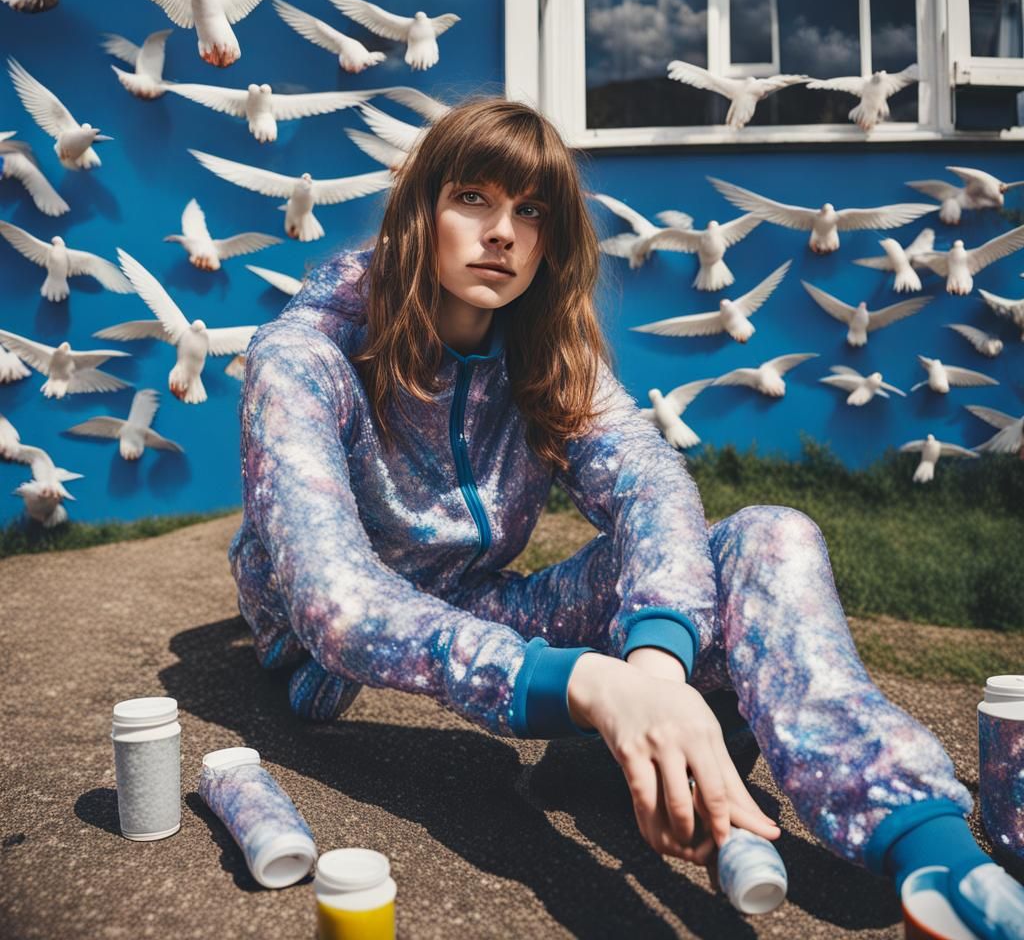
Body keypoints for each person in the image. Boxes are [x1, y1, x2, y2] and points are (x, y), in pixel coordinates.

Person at [229, 97, 1022, 935]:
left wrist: (657, 669)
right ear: (420, 208)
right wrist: (589, 685)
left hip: (480, 597)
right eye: (473, 198)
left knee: (770, 535)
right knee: (400, 628)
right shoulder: (303, 357)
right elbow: (336, 606)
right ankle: (633, 741)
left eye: (529, 211)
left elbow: (651, 482)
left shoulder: (542, 349)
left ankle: (928, 846)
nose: (503, 232)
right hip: (332, 653)